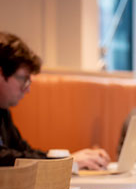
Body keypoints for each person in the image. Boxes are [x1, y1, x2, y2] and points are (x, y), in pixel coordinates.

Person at [0, 31, 110, 170]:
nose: (27, 89)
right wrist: (66, 162)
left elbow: (23, 151)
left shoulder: (3, 110)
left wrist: (67, 159)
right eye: (23, 79)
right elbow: (3, 157)